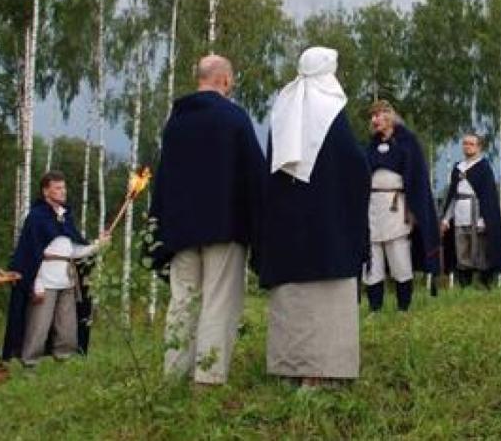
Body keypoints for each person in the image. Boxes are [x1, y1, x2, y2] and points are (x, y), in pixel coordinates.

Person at [149, 54, 265, 386]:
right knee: (218, 302)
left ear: (199, 78)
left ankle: (173, 375)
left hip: (181, 231)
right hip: (224, 228)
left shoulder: (176, 122)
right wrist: (261, 226)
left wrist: (160, 229)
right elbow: (254, 176)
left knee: (182, 301)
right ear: (225, 81)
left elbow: (165, 179)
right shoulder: (234, 119)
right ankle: (208, 379)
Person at [258, 47, 370, 388]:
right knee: (326, 295)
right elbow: (353, 164)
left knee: (294, 292)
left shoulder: (283, 107)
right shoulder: (331, 110)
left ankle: (290, 368)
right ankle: (323, 372)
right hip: (328, 226)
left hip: (289, 223)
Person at [2, 172, 108, 366]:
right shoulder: (37, 217)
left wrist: (97, 245)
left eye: (64, 187)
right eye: (57, 188)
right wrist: (37, 283)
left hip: (67, 280)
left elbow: (74, 250)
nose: (63, 191)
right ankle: (30, 362)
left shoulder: (65, 217)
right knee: (39, 325)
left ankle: (64, 357)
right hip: (45, 280)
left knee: (67, 325)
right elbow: (31, 254)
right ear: (45, 191)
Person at [363, 100, 440, 312]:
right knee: (373, 256)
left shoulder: (407, 142)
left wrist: (415, 210)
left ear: (389, 115)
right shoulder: (371, 145)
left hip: (397, 207)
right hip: (373, 207)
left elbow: (417, 178)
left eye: (377, 115)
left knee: (398, 255)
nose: (374, 120)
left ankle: (403, 307)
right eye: (372, 116)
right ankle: (375, 308)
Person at [440, 133, 501, 288]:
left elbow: (488, 196)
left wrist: (484, 218)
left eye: (471, 144)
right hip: (459, 212)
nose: (467, 146)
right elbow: (453, 194)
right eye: (465, 143)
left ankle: (485, 284)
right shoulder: (458, 168)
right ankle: (465, 284)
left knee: (480, 250)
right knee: (461, 249)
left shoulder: (483, 167)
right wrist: (446, 218)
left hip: (477, 213)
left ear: (479, 147)